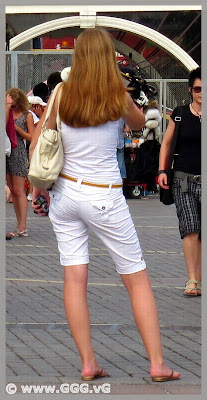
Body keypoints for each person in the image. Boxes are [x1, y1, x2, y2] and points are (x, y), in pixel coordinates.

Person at [30, 28, 180, 382]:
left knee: (74, 277)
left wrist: (42, 189)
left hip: (66, 194)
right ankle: (157, 364)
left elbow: (41, 140)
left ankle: (88, 362)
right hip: (104, 195)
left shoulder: (61, 93)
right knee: (136, 278)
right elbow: (141, 124)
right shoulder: (116, 94)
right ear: (109, 57)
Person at [158, 67, 201, 297]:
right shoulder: (180, 114)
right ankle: (192, 279)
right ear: (190, 90)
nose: (201, 93)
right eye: (197, 89)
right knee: (190, 229)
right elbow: (166, 143)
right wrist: (162, 170)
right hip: (183, 180)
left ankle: (200, 279)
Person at [6, 88, 35, 238]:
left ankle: (22, 225)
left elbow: (31, 137)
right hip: (7, 152)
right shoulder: (6, 112)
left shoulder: (27, 116)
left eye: (14, 105)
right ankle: (19, 224)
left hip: (18, 152)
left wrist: (17, 129)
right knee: (12, 189)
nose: (12, 108)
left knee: (19, 190)